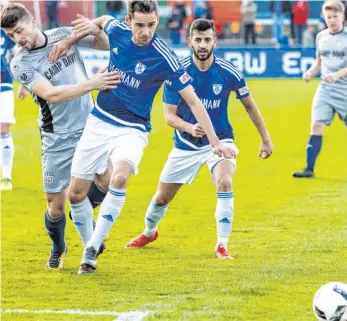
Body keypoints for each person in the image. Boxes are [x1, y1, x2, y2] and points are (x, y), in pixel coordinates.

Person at [49, 0, 236, 274]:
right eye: (139, 25)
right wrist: (70, 40)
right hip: (99, 121)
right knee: (76, 195)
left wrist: (216, 142)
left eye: (151, 25)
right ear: (128, 20)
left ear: (157, 21)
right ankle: (91, 241)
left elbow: (195, 102)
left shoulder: (165, 56)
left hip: (133, 129)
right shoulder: (117, 30)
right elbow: (101, 22)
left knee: (120, 176)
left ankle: (91, 251)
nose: (145, 31)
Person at [125, 19, 273, 259]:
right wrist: (189, 127)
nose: (202, 45)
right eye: (198, 40)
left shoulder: (228, 71)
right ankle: (150, 232)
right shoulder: (177, 72)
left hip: (221, 141)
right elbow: (169, 116)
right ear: (189, 41)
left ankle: (222, 245)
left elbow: (250, 106)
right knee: (162, 197)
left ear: (215, 41)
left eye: (207, 40)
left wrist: (265, 139)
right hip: (185, 144)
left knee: (224, 182)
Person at [1, 3, 120, 268]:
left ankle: (84, 218)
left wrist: (89, 30)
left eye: (19, 31)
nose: (18, 39)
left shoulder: (64, 34)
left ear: (32, 21)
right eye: (11, 36)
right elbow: (52, 94)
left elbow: (105, 44)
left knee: (108, 179)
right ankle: (59, 247)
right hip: (57, 137)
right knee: (55, 207)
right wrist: (94, 84)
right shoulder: (20, 62)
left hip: (89, 126)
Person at [293, 0, 347, 178]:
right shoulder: (321, 36)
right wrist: (310, 72)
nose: (332, 20)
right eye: (328, 17)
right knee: (316, 125)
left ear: (343, 16)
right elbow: (319, 62)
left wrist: (338, 75)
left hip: (344, 89)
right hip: (325, 89)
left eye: (335, 16)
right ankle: (309, 169)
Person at [0, 28, 16, 190]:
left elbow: (17, 55)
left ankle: (6, 176)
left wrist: (24, 83)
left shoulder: (5, 33)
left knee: (4, 128)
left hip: (3, 83)